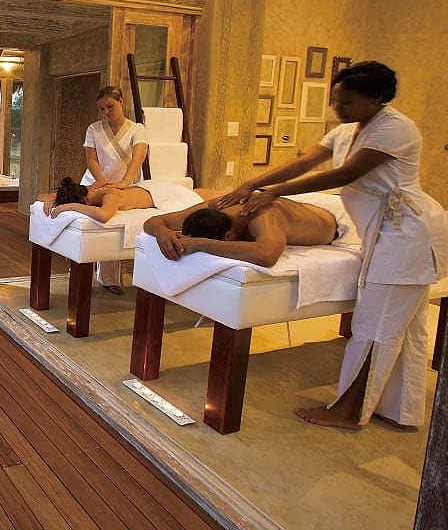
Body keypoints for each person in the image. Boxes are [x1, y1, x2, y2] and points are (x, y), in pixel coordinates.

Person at [213, 60, 448, 430]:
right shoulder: (347, 131)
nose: (337, 108)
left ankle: (349, 412)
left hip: (407, 236)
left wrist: (273, 193)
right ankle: (400, 411)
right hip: (386, 235)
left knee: (376, 326)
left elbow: (345, 174)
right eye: (335, 100)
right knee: (403, 326)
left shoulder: (397, 128)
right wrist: (251, 184)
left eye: (347, 101)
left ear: (378, 98)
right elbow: (304, 163)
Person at [76, 85, 149, 292]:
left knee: (111, 226)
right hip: (94, 183)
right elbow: (92, 159)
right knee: (87, 226)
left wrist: (125, 181)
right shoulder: (94, 129)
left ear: (121, 102)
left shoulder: (137, 129)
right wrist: (100, 181)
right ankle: (80, 267)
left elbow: (139, 156)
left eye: (110, 106)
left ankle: (109, 279)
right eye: (102, 109)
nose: (106, 112)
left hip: (122, 185)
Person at [143, 198, 338, 267]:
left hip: (330, 220)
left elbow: (267, 255)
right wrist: (163, 233)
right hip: (293, 204)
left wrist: (201, 244)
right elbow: (154, 221)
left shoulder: (265, 217)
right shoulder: (217, 206)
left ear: (229, 236)